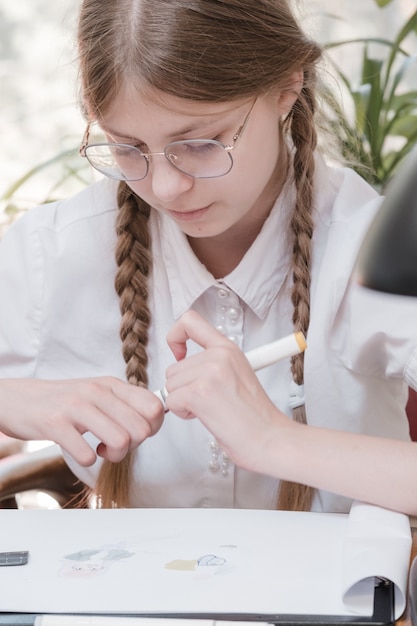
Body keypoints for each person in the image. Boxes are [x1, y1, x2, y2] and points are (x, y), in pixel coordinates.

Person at [1, 0, 417, 514]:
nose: (166, 186)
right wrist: (10, 401)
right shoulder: (52, 251)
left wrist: (274, 441)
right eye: (127, 148)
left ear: (287, 87)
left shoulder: (373, 251)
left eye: (201, 142)